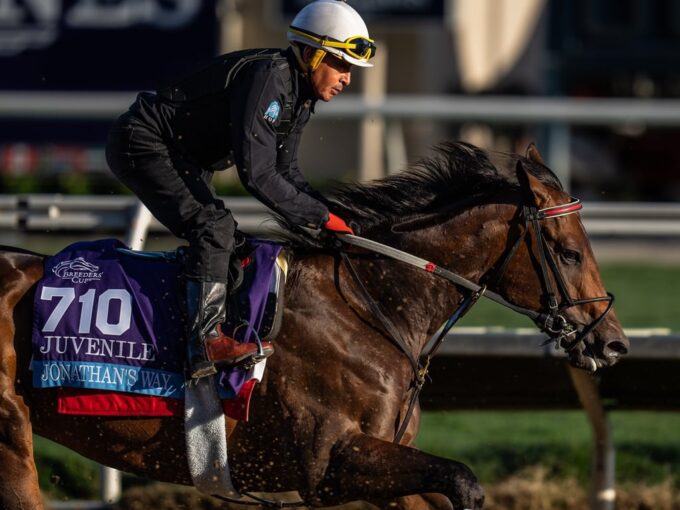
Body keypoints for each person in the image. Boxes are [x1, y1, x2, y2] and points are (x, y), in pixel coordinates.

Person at [105, 0, 375, 379]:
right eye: (342, 65)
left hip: (178, 154)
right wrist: (320, 217)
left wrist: (332, 214)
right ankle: (203, 344)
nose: (347, 78)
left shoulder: (300, 95)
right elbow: (259, 176)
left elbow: (288, 171)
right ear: (314, 54)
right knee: (214, 228)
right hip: (144, 143)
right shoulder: (270, 78)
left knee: (231, 242)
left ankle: (203, 331)